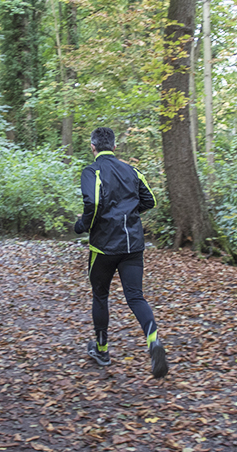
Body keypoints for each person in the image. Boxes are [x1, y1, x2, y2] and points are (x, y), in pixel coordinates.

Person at [74, 127, 168, 379]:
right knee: (136, 297)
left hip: (103, 247)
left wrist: (83, 225)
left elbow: (92, 204)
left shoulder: (91, 171)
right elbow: (150, 200)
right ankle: (154, 342)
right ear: (115, 147)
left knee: (100, 295)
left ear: (93, 147)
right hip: (134, 246)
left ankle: (102, 350)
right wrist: (129, 215)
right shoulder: (132, 171)